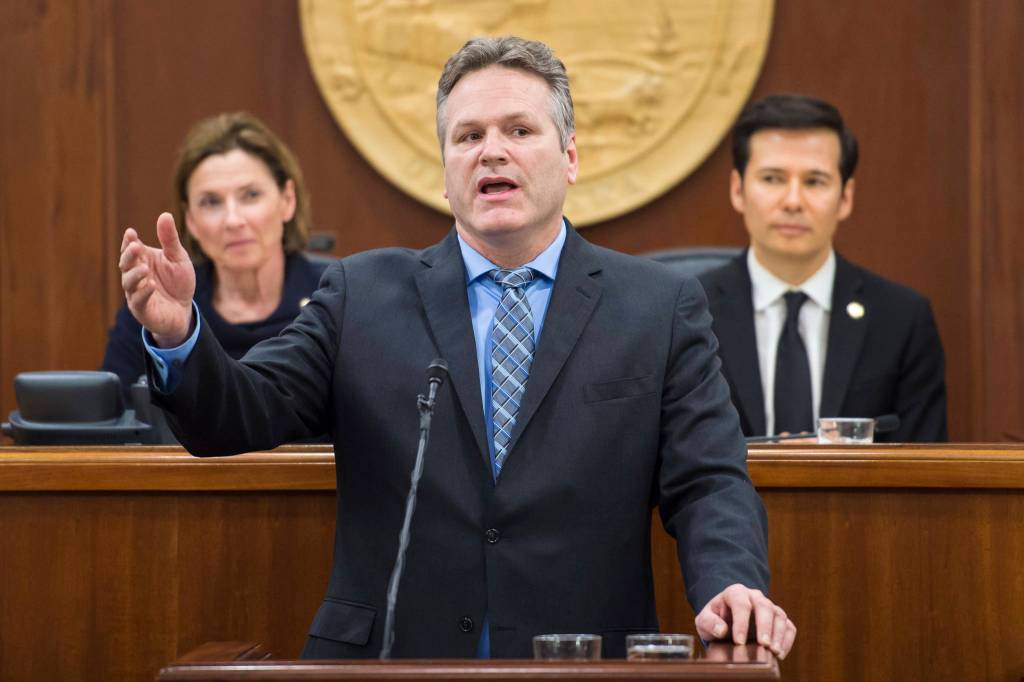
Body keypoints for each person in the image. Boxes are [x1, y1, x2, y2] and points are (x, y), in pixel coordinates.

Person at [118, 37, 795, 660]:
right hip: (394, 660)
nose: (491, 152)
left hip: (581, 661)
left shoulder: (657, 307)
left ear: (570, 157)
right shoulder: (361, 294)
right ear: (446, 173)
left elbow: (709, 479)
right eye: (468, 136)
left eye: (519, 131)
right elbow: (241, 411)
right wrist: (178, 335)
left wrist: (730, 583)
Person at [698, 95, 948, 443]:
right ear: (738, 190)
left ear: (845, 197)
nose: (793, 202)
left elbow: (924, 464)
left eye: (814, 181)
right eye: (772, 179)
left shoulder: (902, 320)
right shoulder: (690, 314)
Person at [101, 112, 328, 401]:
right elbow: (114, 416)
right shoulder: (161, 301)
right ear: (191, 220)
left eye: (251, 195)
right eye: (211, 202)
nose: (233, 220)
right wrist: (172, 337)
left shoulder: (332, 298)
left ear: (287, 200)